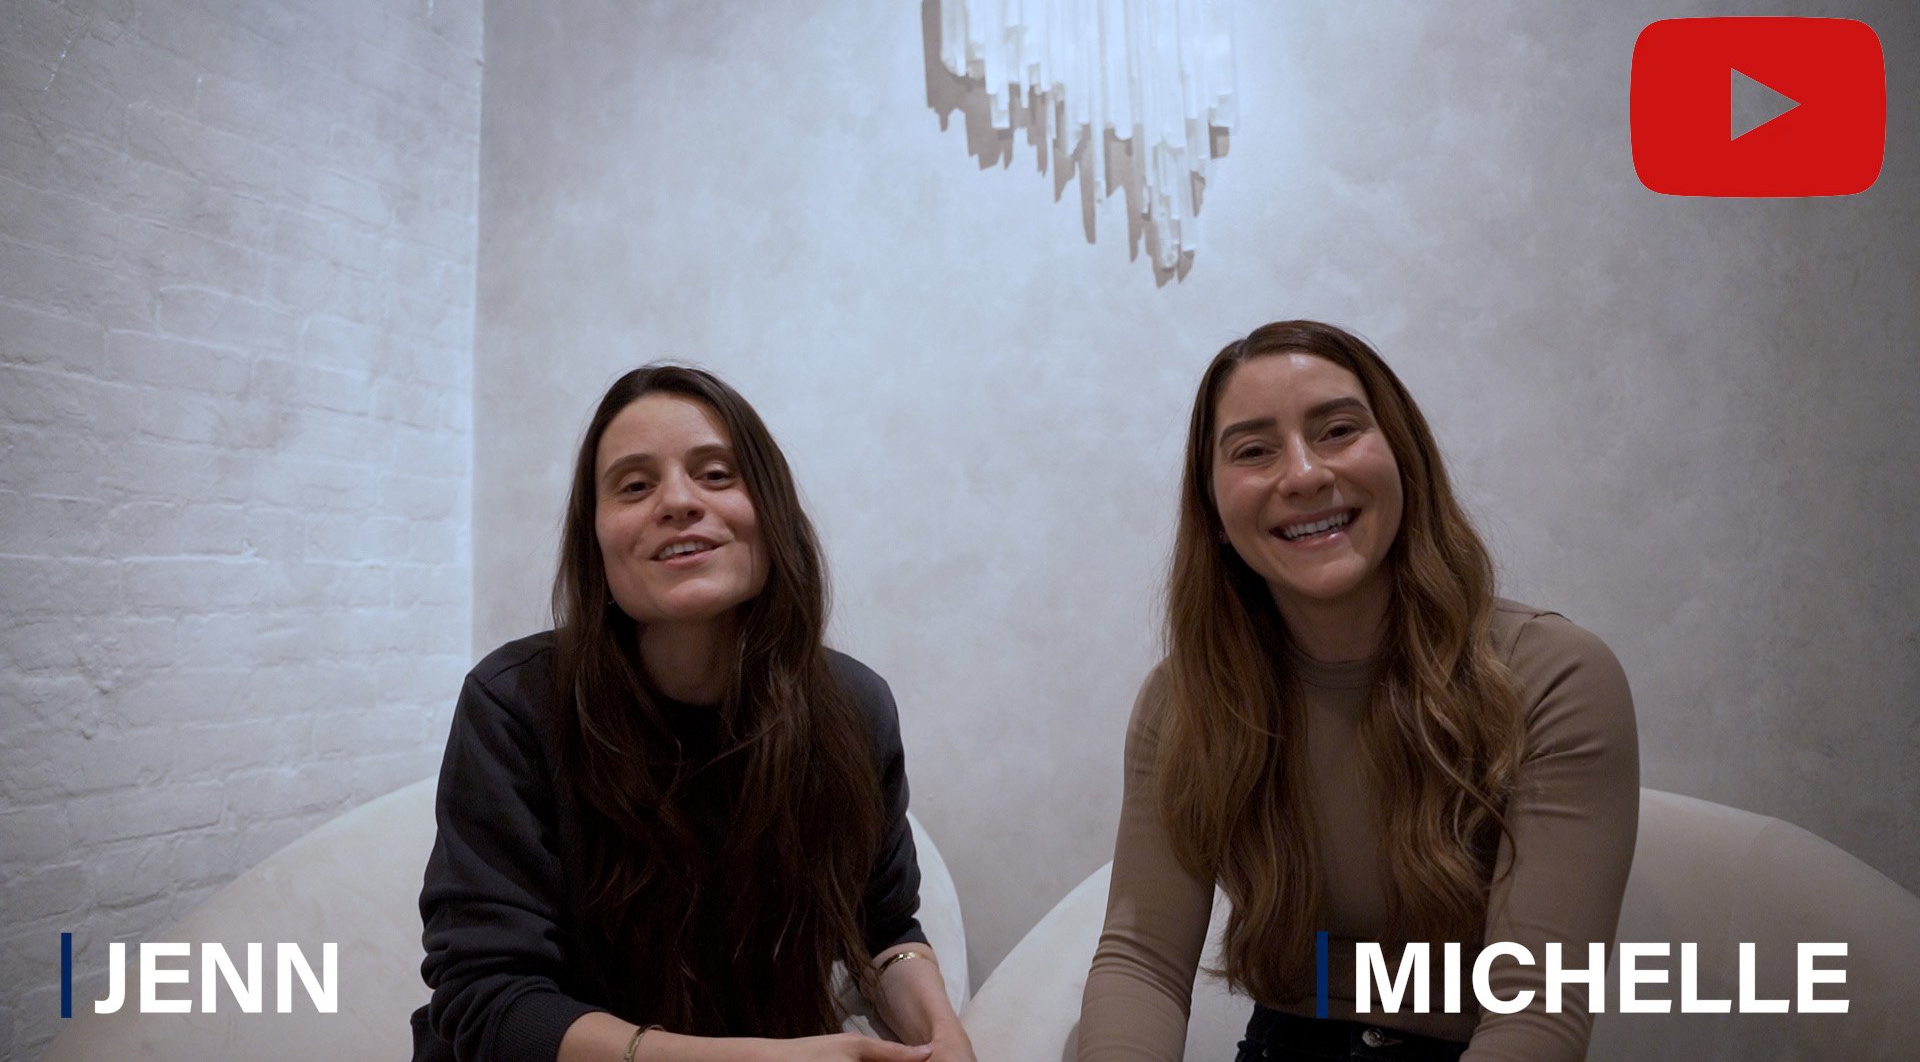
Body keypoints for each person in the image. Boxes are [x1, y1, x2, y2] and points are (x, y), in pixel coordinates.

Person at [1077, 321, 1639, 1061]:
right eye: (1254, 450)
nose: (1304, 474)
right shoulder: (1185, 701)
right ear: (1214, 512)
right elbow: (1142, 963)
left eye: (1338, 431)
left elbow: (1537, 1010)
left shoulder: (1552, 676)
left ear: (1404, 458)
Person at [413, 365, 975, 1062]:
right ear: (596, 542)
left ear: (772, 511)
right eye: (634, 486)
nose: (678, 502)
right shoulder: (515, 703)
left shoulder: (854, 709)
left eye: (715, 475)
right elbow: (488, 1001)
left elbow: (886, 931)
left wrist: (946, 1037)